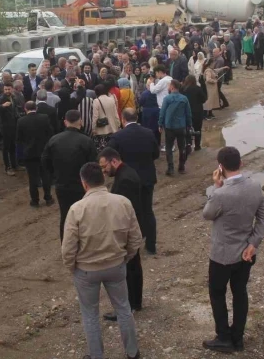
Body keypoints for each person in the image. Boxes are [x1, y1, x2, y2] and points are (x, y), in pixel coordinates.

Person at [61, 162, 142, 359]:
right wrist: (125, 258)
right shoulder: (123, 202)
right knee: (123, 308)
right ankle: (132, 352)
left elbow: (68, 247)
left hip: (86, 270)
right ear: (103, 179)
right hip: (116, 265)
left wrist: (73, 268)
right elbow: (135, 238)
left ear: (84, 183)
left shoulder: (76, 209)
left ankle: (96, 355)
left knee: (90, 314)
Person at [202, 147, 264, 354]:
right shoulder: (255, 186)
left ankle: (223, 337)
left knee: (217, 293)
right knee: (240, 293)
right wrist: (253, 243)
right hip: (246, 253)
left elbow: (207, 214)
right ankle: (238, 338)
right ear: (241, 163)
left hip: (222, 256)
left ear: (220, 167)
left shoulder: (220, 194)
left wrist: (215, 186)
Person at [98, 147, 144, 321]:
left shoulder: (125, 179)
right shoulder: (125, 173)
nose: (103, 170)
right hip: (132, 227)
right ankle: (135, 303)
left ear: (114, 161)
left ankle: (129, 306)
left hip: (127, 229)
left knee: (128, 269)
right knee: (134, 266)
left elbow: (122, 209)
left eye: (104, 166)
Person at [109, 108, 159, 255]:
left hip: (126, 180)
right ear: (136, 118)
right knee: (147, 210)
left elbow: (109, 156)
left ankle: (129, 245)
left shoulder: (118, 137)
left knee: (127, 213)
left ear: (123, 119)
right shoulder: (148, 133)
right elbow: (155, 154)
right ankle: (151, 245)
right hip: (146, 176)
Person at [42, 110, 98, 240]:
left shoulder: (54, 140)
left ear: (65, 122)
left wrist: (55, 175)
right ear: (81, 121)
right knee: (85, 217)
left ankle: (66, 246)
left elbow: (45, 161)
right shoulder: (86, 141)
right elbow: (93, 165)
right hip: (83, 186)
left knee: (66, 216)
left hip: (62, 184)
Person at [16, 101, 54, 207]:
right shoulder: (44, 118)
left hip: (29, 153)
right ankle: (48, 198)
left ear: (25, 109)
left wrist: (19, 156)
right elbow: (50, 133)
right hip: (43, 152)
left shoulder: (21, 121)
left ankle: (35, 201)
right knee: (45, 176)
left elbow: (19, 139)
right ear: (36, 108)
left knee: (32, 179)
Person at [159, 80, 192, 176]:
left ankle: (170, 168)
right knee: (182, 147)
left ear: (172, 87)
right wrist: (189, 125)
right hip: (181, 126)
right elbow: (188, 113)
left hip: (169, 126)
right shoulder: (184, 98)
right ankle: (181, 167)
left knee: (169, 148)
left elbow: (162, 113)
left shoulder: (167, 99)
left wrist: (160, 124)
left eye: (169, 86)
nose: (168, 87)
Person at [0, 82, 19, 176]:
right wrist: (2, 106)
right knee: (5, 148)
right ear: (3, 90)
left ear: (12, 89)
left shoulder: (13, 97)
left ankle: (14, 165)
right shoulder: (1, 99)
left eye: (9, 89)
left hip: (13, 125)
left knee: (13, 146)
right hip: (5, 127)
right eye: (5, 89)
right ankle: (7, 167)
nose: (7, 91)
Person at [92, 84, 121, 152]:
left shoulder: (96, 101)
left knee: (103, 151)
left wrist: (93, 129)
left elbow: (95, 117)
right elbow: (116, 114)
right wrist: (118, 125)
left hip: (102, 130)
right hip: (113, 128)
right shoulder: (111, 99)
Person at [182, 75, 207, 150]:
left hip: (186, 112)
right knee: (197, 128)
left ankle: (188, 144)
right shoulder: (198, 89)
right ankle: (197, 145)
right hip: (197, 111)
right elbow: (204, 99)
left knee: (187, 128)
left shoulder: (183, 89)